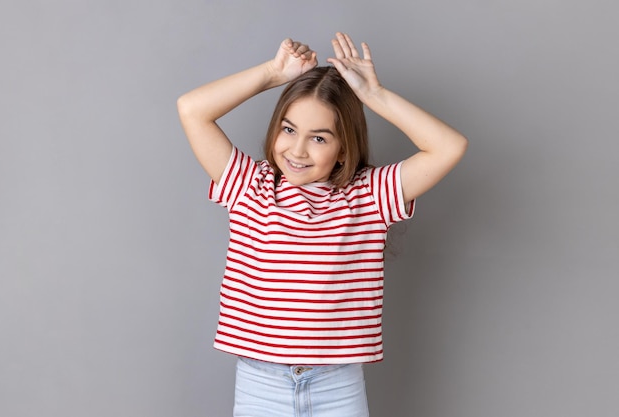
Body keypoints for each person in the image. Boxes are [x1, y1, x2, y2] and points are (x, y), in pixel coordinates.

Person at [177, 32, 467, 417]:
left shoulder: (368, 195)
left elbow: (448, 146)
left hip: (338, 386)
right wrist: (271, 72)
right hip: (261, 385)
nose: (297, 150)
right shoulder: (250, 186)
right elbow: (191, 109)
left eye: (319, 138)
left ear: (343, 146)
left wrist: (374, 95)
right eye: (289, 129)